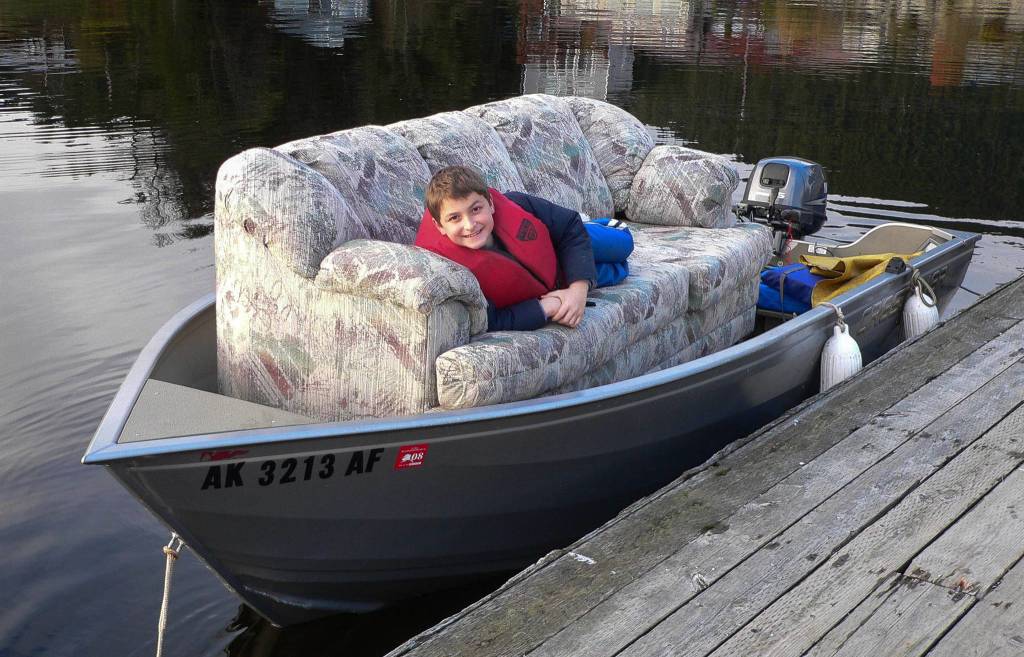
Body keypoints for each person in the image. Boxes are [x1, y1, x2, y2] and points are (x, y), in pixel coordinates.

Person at [414, 165, 631, 331]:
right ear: (439, 226)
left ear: (490, 203)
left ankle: (593, 224)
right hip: (554, 281)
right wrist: (545, 308)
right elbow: (487, 319)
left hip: (564, 245)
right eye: (455, 218)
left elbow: (569, 226)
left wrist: (578, 290)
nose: (470, 224)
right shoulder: (451, 271)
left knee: (624, 244)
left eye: (476, 209)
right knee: (621, 270)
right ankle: (590, 272)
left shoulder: (516, 203)